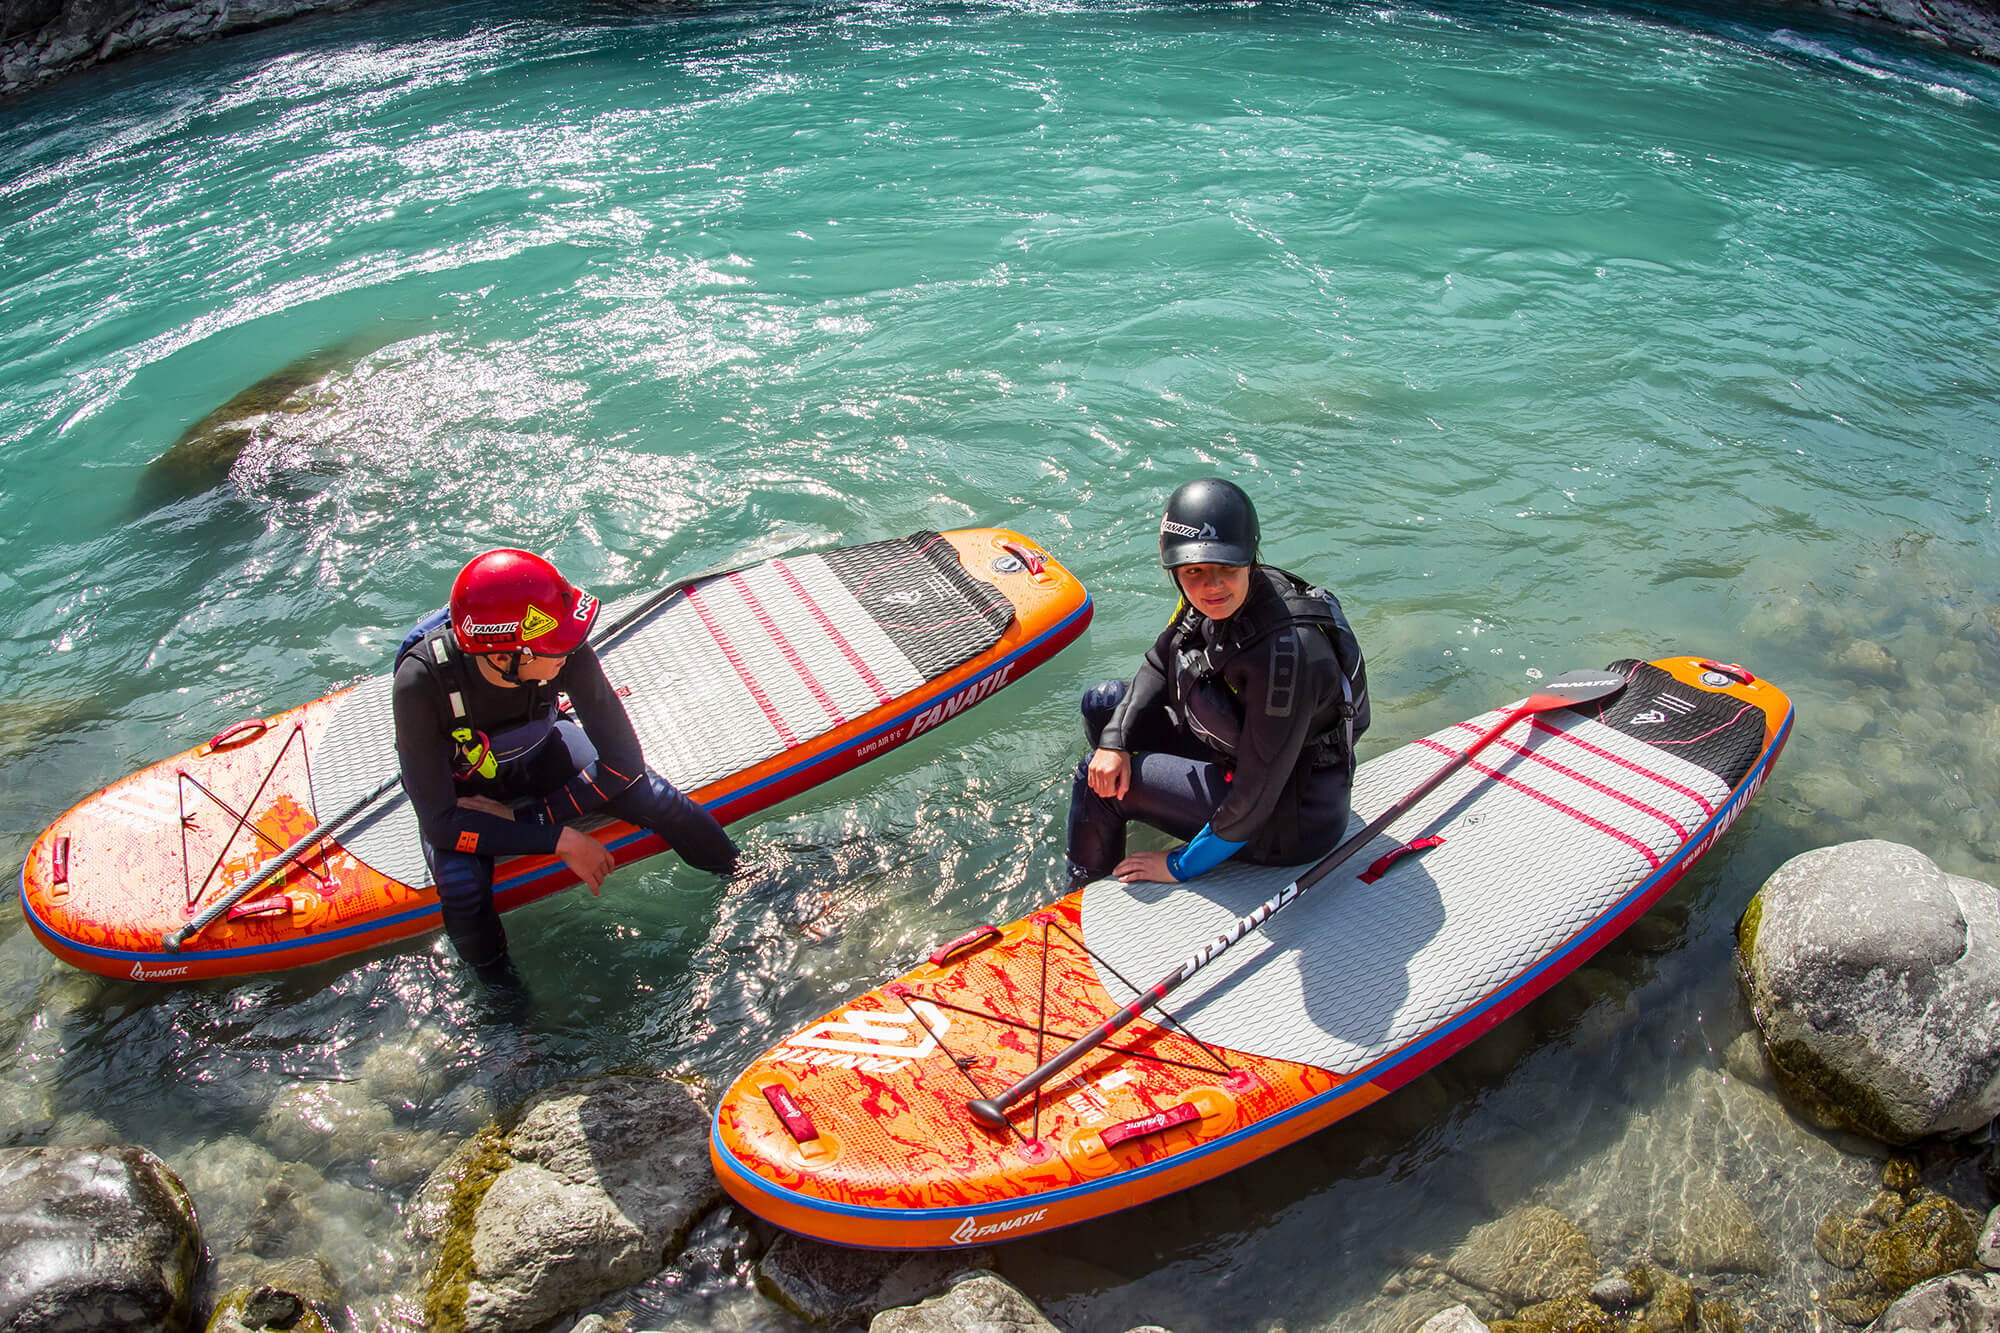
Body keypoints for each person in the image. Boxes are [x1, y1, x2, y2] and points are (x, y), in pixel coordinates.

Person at [393, 549, 738, 986]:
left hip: (544, 754)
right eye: (555, 647)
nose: (571, 651)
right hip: (467, 790)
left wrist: (530, 821)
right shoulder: (419, 682)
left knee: (659, 798)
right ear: (503, 657)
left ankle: (747, 882)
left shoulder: (565, 649)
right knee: (461, 888)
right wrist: (560, 840)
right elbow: (442, 825)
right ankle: (506, 1012)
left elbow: (624, 764)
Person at [1066, 478, 1370, 889]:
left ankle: (1083, 896)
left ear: (1250, 558)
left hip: (1286, 820)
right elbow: (1160, 662)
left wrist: (1180, 865)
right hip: (1243, 761)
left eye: (1228, 568)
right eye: (1194, 572)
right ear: (1175, 568)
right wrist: (1115, 743)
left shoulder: (1286, 653)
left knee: (1093, 781)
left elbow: (1258, 794)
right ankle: (1123, 807)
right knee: (1104, 706)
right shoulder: (1207, 603)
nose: (1213, 586)